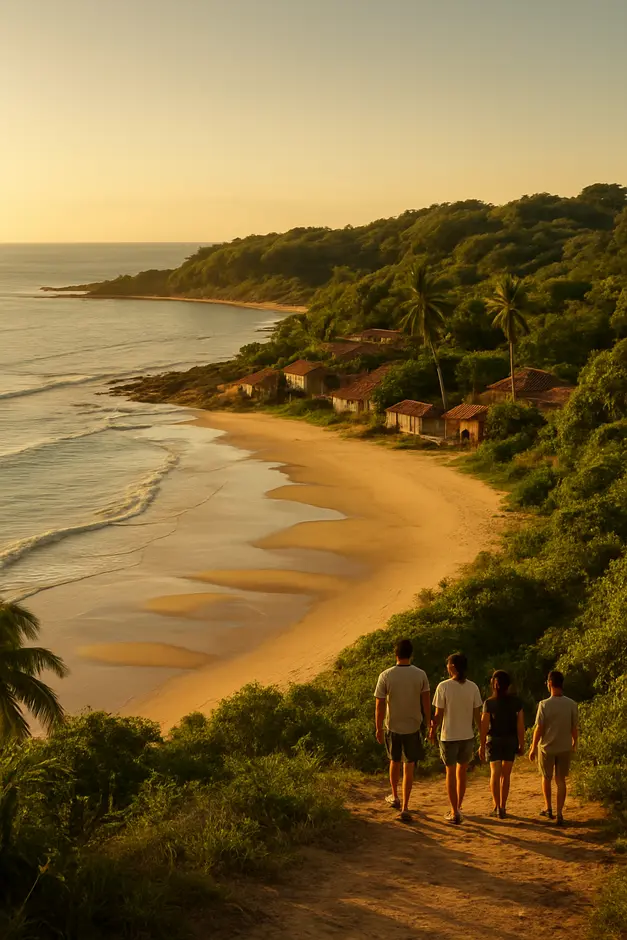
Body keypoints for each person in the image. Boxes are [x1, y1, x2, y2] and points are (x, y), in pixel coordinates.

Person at [374, 638, 431, 823]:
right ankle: (406, 806)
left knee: (394, 761)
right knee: (409, 766)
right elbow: (426, 702)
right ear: (410, 654)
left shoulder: (386, 675)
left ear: (395, 654)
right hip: (413, 725)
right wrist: (429, 722)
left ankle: (395, 796)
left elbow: (379, 704)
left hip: (393, 725)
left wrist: (378, 727)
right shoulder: (420, 674)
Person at [430, 652, 482, 825]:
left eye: (448, 664)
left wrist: (432, 730)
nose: (447, 666)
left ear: (452, 666)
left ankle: (454, 811)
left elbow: (438, 714)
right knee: (462, 773)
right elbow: (477, 716)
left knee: (450, 774)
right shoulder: (473, 687)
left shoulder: (443, 687)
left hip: (449, 736)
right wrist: (482, 737)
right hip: (467, 736)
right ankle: (458, 807)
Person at [529, 670, 578, 826]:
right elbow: (574, 727)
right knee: (561, 780)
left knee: (546, 777)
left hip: (547, 748)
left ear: (550, 683)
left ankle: (548, 807)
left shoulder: (544, 704)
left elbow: (539, 728)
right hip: (564, 746)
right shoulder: (571, 704)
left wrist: (532, 746)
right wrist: (574, 742)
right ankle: (560, 813)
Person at [479, 670, 525, 819]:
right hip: (510, 740)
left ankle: (496, 806)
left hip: (494, 740)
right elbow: (520, 726)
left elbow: (484, 726)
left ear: (494, 684)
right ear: (509, 685)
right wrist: (522, 744)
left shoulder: (489, 703)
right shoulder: (516, 702)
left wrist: (481, 744)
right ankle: (503, 807)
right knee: (506, 775)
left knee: (495, 773)